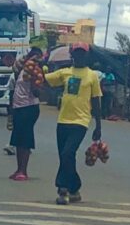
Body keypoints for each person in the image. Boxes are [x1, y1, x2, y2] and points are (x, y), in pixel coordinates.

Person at [44, 43, 102, 205]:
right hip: (63, 120)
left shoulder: (92, 76)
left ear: (87, 56)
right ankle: (75, 188)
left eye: (82, 53)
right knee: (65, 157)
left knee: (67, 153)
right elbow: (45, 81)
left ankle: (62, 189)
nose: (79, 56)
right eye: (76, 53)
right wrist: (37, 66)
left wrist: (98, 125)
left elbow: (96, 101)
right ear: (72, 55)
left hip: (81, 121)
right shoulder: (65, 72)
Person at [7, 47, 43, 182]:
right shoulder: (22, 70)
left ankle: (23, 170)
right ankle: (18, 169)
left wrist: (35, 81)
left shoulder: (36, 72)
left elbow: (37, 93)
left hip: (29, 107)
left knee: (25, 139)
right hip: (18, 107)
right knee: (17, 139)